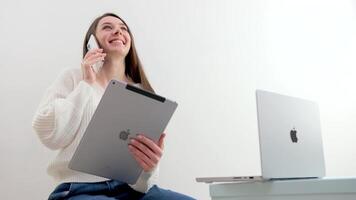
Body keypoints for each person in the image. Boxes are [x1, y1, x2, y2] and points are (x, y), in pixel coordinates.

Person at [32, 12, 195, 200]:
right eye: (108, 27)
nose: (118, 31)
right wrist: (86, 83)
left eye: (123, 29)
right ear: (91, 41)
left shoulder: (143, 92)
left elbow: (145, 184)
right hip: (78, 189)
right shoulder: (74, 77)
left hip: (132, 191)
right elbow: (50, 135)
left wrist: (149, 168)